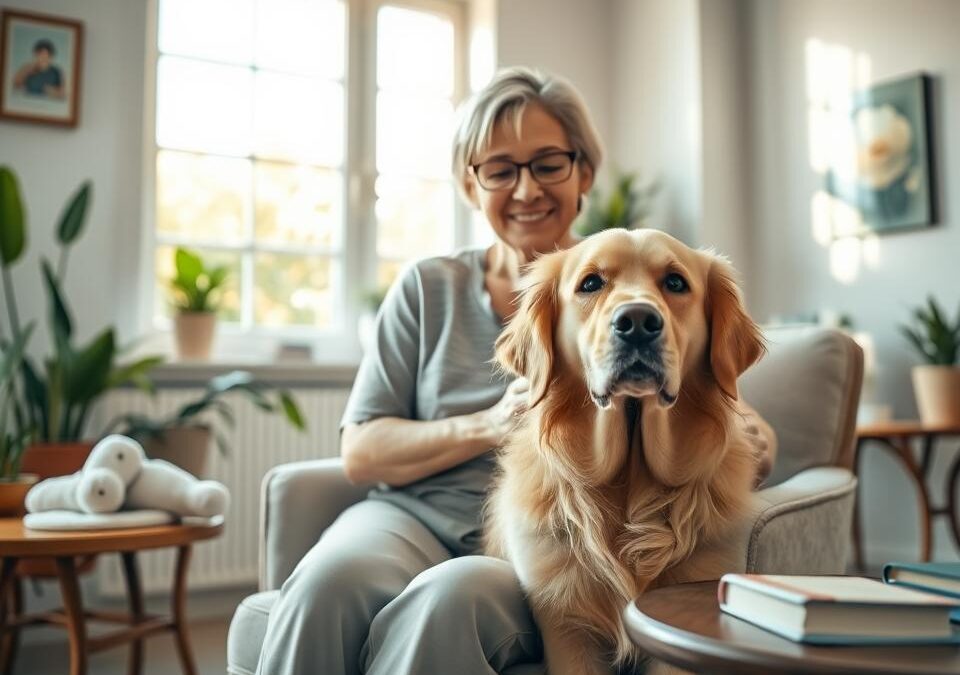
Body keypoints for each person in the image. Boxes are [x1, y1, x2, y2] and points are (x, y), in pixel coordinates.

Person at [257, 66, 776, 675]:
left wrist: (747, 429)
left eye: (549, 164)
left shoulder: (638, 279)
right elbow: (362, 451)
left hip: (527, 544)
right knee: (325, 582)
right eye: (500, 170)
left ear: (583, 173)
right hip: (412, 517)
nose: (527, 190)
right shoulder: (426, 288)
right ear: (470, 185)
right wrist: (487, 424)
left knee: (451, 597)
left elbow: (720, 401)